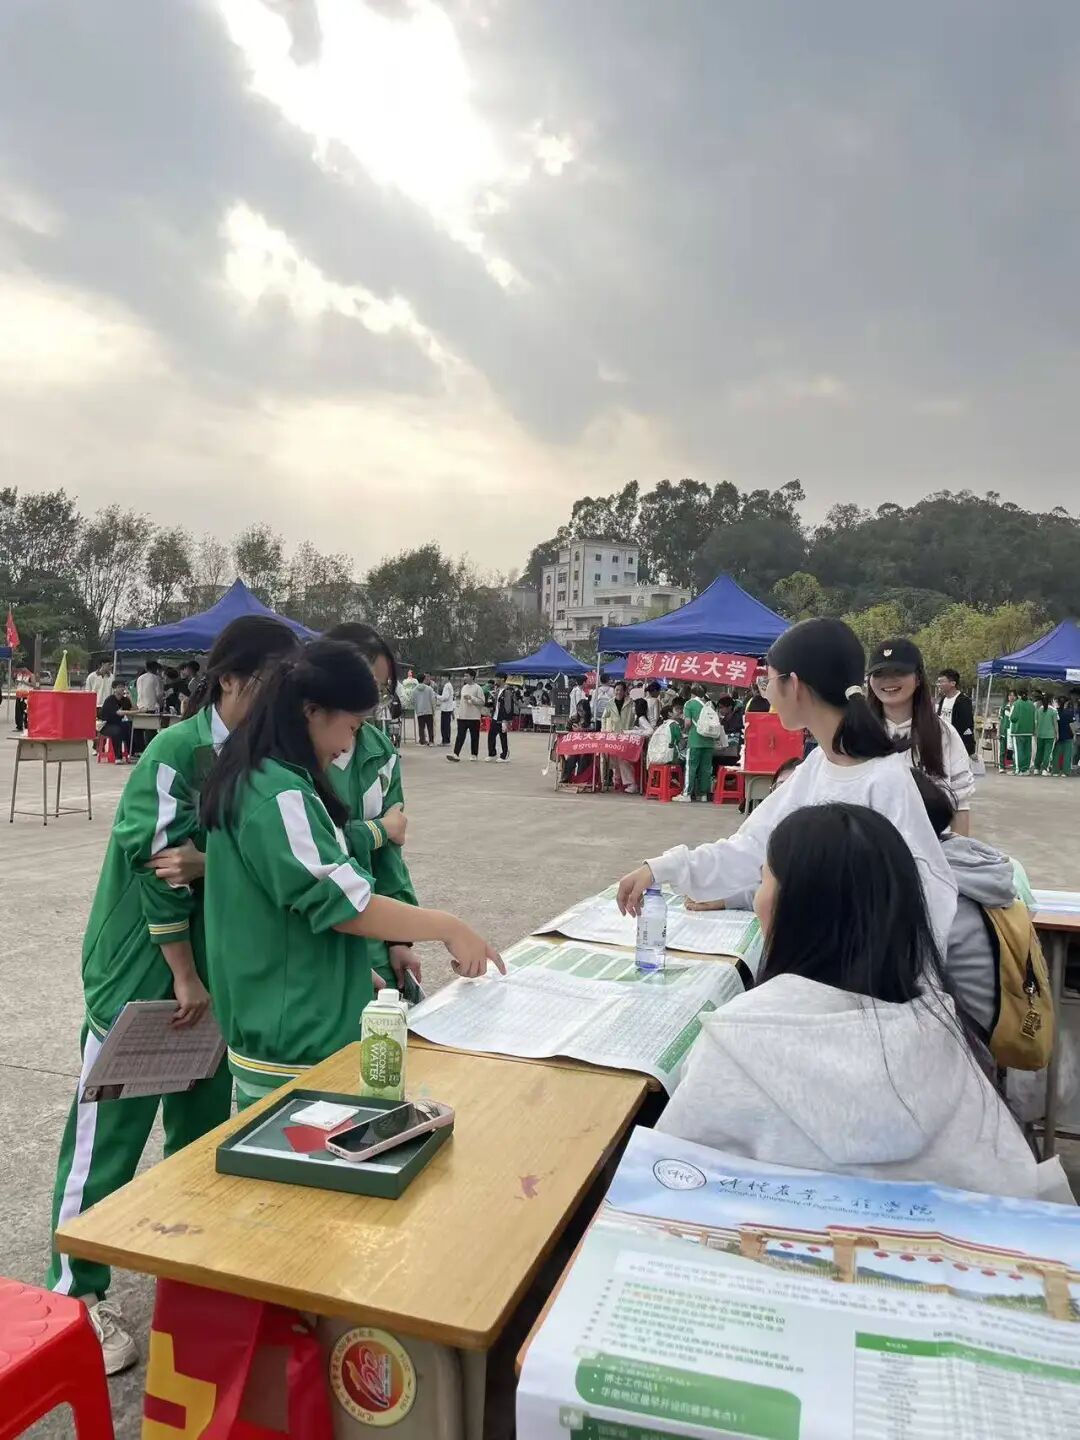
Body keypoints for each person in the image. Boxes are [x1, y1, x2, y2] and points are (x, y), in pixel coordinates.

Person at [46, 615, 301, 1373]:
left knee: (202, 1133)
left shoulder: (266, 761)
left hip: (219, 976)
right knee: (108, 1138)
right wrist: (184, 973)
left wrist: (212, 861)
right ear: (232, 680)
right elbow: (161, 866)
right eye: (275, 684)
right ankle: (74, 1298)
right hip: (145, 973)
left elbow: (271, 858)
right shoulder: (175, 752)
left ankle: (190, 1274)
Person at [655, 803, 1043, 1198]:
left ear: (791, 905)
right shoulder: (946, 1033)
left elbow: (666, 1181)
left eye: (763, 879)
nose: (756, 896)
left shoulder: (736, 1037)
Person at [200, 640, 503, 1111]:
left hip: (295, 1023)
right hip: (294, 1043)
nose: (348, 745)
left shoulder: (268, 779)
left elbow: (290, 914)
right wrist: (450, 928)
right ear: (311, 711)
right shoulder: (277, 795)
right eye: (351, 727)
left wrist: (344, 975)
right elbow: (347, 906)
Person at [617, 617, 958, 958]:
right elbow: (752, 846)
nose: (767, 694)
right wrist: (664, 868)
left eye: (767, 682)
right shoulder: (818, 767)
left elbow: (928, 897)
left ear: (793, 685)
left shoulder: (883, 780)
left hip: (860, 973)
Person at [323, 624, 421, 994]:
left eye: (380, 689)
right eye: (366, 684)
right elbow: (313, 848)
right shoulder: (291, 756)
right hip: (318, 935)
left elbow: (390, 855)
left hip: (371, 926)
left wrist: (399, 939)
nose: (371, 700)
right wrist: (380, 829)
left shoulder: (380, 752)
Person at [866, 638, 974, 835]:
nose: (888, 680)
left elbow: (960, 803)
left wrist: (958, 851)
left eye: (899, 672)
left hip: (931, 846)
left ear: (918, 679)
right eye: (879, 673)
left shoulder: (944, 733)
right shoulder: (856, 733)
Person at [674, 682, 715, 803]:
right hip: (709, 741)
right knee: (706, 769)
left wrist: (684, 731)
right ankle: (703, 795)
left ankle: (686, 794)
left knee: (691, 767)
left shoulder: (689, 704)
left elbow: (687, 723)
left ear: (692, 693)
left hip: (695, 740)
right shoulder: (710, 704)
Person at [447, 668, 486, 762]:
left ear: (472, 677)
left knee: (474, 736)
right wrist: (459, 714)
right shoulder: (464, 687)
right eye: (464, 676)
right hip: (463, 716)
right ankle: (456, 754)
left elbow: (482, 702)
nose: (464, 678)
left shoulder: (478, 688)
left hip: (474, 717)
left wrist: (471, 698)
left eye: (466, 676)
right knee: (460, 736)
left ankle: (474, 754)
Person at [936, 668, 976, 756]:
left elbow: (966, 726)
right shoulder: (943, 700)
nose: (939, 684)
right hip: (943, 743)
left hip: (957, 746)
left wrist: (968, 747)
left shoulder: (963, 701)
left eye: (942, 682)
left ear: (953, 683)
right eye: (938, 682)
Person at [98, 680, 133, 761]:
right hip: (106, 725)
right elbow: (119, 713)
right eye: (119, 687)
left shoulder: (125, 700)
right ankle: (118, 756)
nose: (122, 689)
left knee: (130, 727)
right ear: (114, 689)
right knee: (117, 730)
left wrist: (130, 697)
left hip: (118, 723)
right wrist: (136, 711)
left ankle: (132, 752)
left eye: (123, 687)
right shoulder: (110, 699)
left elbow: (133, 709)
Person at [487, 673, 516, 763]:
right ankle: (492, 754)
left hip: (502, 718)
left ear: (502, 679)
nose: (496, 680)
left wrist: (506, 720)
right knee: (491, 736)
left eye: (497, 678)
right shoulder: (497, 690)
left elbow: (508, 707)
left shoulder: (507, 691)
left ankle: (505, 755)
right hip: (495, 717)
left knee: (503, 736)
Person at [1008, 689, 1036, 775]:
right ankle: (1025, 769)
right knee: (1027, 751)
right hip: (1029, 731)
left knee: (1018, 751)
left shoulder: (1016, 704)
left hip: (1018, 731)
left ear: (1018, 695)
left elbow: (1012, 718)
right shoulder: (1031, 704)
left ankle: (1018, 769)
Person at [1034, 693, 1058, 776]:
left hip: (1040, 734)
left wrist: (1036, 733)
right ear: (1051, 701)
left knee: (1039, 752)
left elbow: (1036, 723)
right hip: (1050, 735)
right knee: (1047, 753)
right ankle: (1045, 769)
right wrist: (1057, 733)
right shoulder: (1053, 711)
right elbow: (1055, 723)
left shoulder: (1038, 710)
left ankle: (1036, 768)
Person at [411, 673, 436, 745]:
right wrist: (433, 709)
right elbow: (433, 700)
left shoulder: (414, 690)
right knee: (430, 727)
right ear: (424, 679)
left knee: (421, 727)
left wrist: (416, 707)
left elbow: (412, 701)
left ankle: (422, 740)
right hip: (428, 710)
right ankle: (431, 741)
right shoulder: (429, 689)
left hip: (419, 711)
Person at [1054, 695, 1075, 777]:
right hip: (1068, 736)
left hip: (1057, 736)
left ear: (1058, 703)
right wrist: (1074, 734)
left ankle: (1055, 771)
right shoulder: (1069, 712)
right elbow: (1071, 725)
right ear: (1066, 703)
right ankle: (1065, 772)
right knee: (1067, 754)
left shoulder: (1055, 712)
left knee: (1056, 754)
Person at [998, 689, 1016, 772]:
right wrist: (999, 731)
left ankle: (1015, 766)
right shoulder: (1003, 707)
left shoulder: (1017, 707)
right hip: (1004, 730)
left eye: (1013, 695)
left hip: (1014, 731)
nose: (1011, 697)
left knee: (1014, 750)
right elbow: (1000, 720)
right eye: (1010, 695)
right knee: (1002, 749)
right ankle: (1001, 766)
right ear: (1008, 697)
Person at [438, 675, 455, 745]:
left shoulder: (447, 686)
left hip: (446, 709)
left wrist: (437, 696)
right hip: (448, 708)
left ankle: (445, 741)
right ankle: (446, 740)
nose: (442, 678)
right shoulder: (449, 685)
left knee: (444, 726)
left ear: (447, 678)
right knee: (446, 725)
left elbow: (445, 697)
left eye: (443, 677)